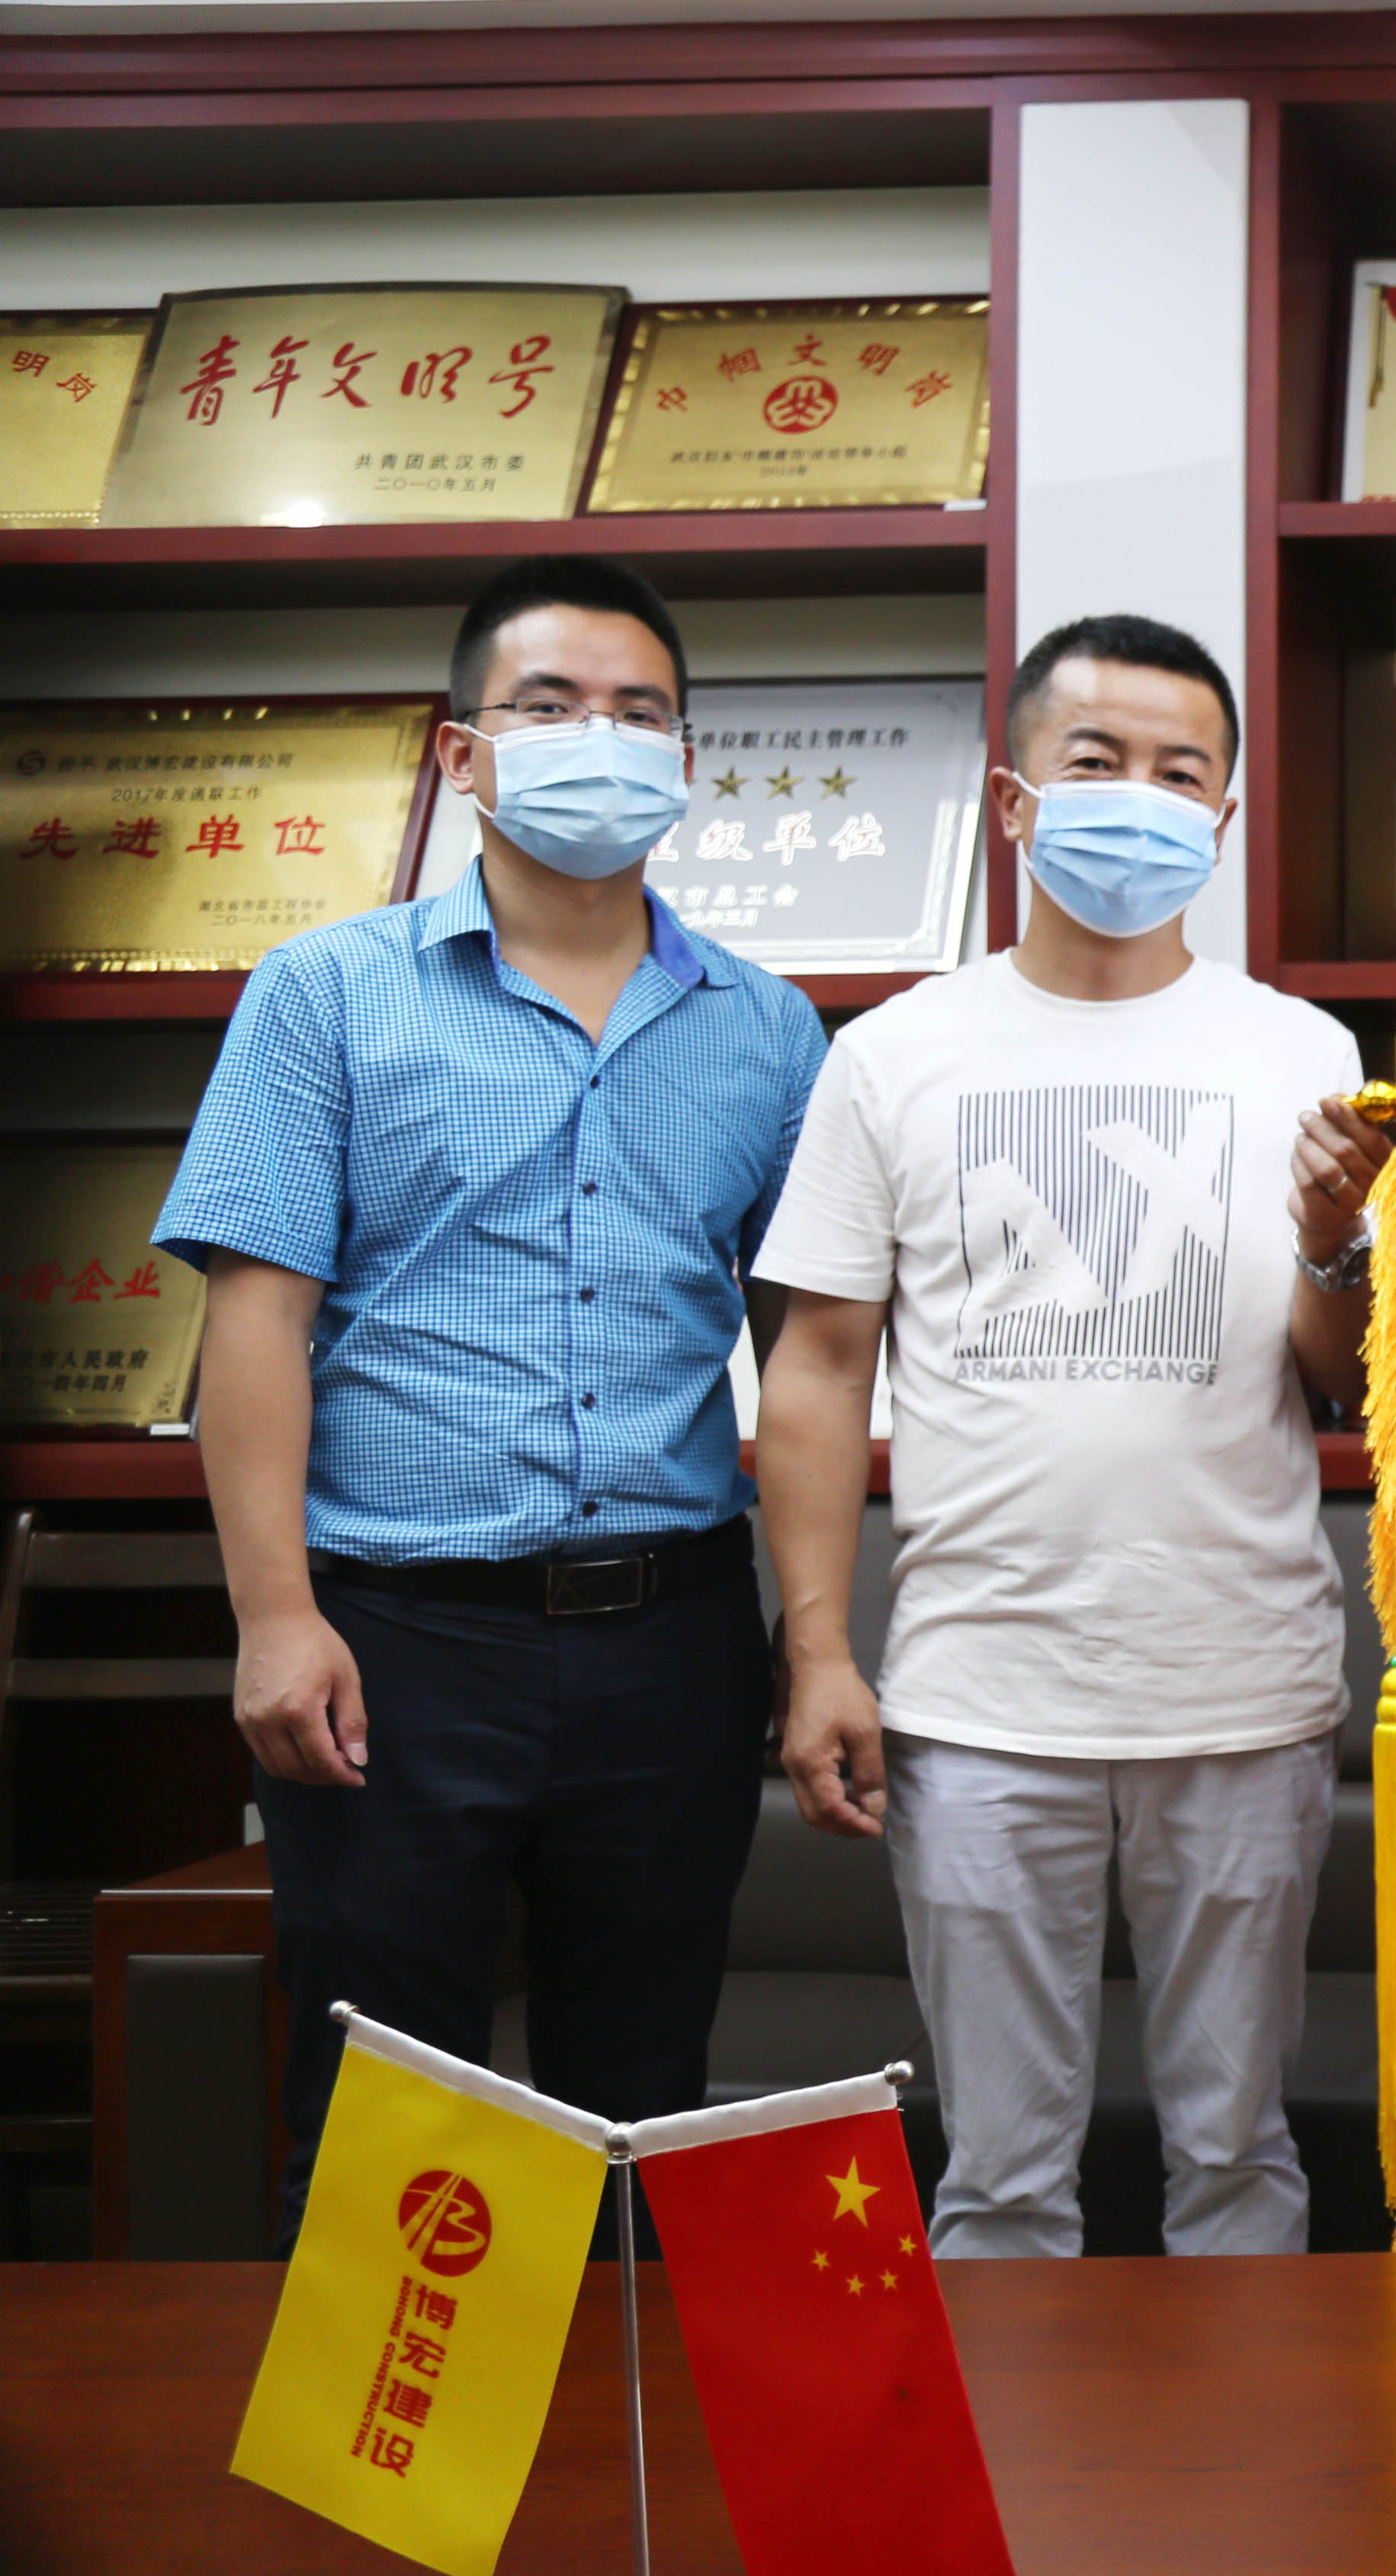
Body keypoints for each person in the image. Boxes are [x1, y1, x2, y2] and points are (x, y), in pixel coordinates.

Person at [158, 554, 828, 2231]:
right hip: (396, 1636)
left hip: (673, 1636)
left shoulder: (769, 1031)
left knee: (640, 2103)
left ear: (684, 763)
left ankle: (613, 2415)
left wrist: (814, 1644)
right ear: (463, 752)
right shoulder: (326, 991)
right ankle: (387, 2422)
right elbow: (254, 1320)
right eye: (550, 705)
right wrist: (274, 1616)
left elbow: (811, 1357)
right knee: (386, 2112)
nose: (599, 737)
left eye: (638, 712)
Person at [756, 613, 1381, 2260]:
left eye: (1181, 773)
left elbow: (1342, 1376)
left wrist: (1334, 1239)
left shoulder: (1303, 1053)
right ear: (1015, 796)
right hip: (979, 1696)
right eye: (1096, 760)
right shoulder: (894, 1055)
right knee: (999, 2180)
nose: (1138, 798)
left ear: (1224, 818)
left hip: (1241, 1683)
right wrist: (818, 1651)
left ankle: (1239, 2444)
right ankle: (1015, 2445)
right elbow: (817, 1370)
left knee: (1237, 2157)